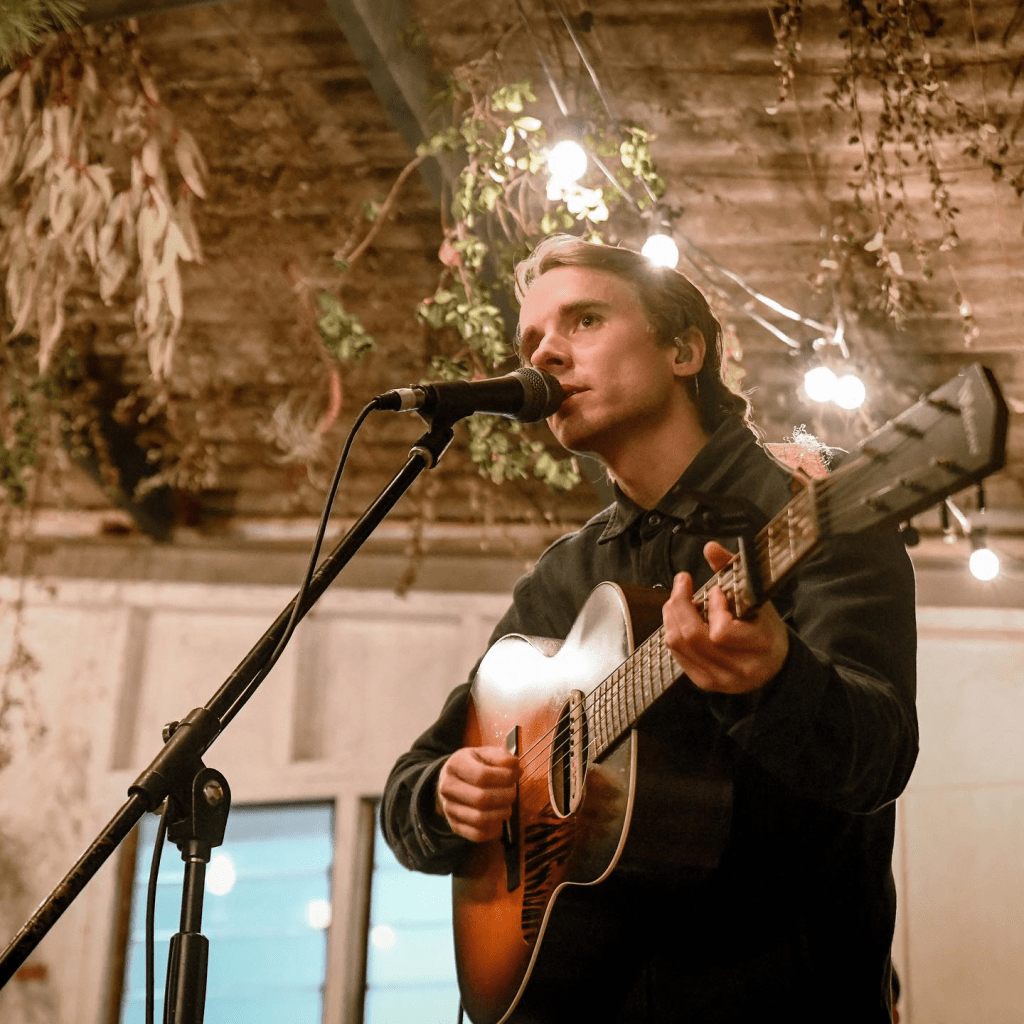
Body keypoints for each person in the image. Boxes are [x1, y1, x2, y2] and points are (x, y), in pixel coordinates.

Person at [381, 235, 918, 1023]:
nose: (546, 353)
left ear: (683, 350)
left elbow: (879, 757)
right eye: (532, 341)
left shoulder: (812, 505)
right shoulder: (563, 577)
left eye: (584, 320)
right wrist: (443, 796)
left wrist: (775, 682)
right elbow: (411, 785)